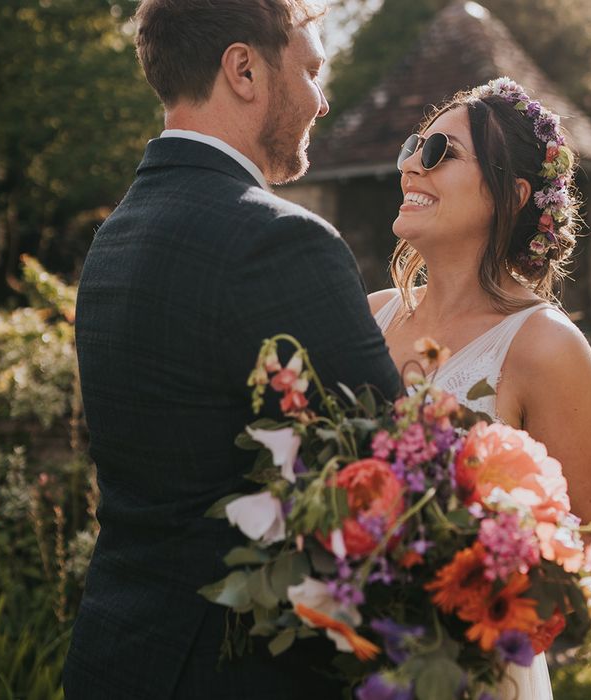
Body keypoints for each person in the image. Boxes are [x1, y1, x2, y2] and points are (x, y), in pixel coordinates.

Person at [63, 1, 401, 698]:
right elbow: (388, 473)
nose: (321, 98)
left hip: (115, 653)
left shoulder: (114, 238)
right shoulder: (280, 241)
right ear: (243, 69)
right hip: (237, 669)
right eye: (311, 70)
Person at [369, 78, 591, 699]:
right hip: (351, 654)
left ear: (510, 195)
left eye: (441, 153)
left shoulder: (545, 347)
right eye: (415, 145)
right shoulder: (369, 315)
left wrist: (480, 595)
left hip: (472, 672)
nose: (410, 163)